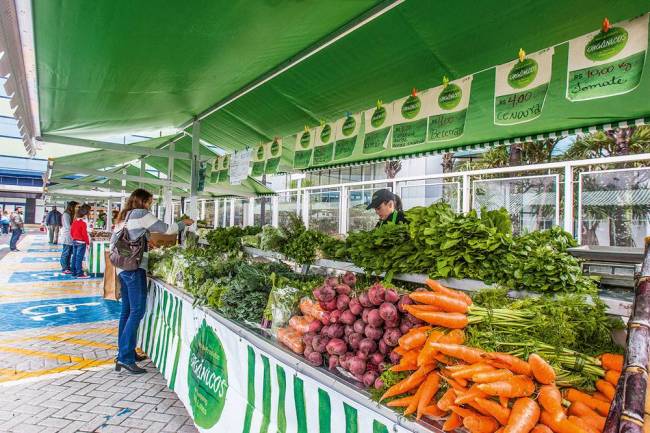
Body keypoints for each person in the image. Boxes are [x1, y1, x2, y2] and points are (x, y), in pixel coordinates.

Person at [111, 188, 192, 374]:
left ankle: (124, 352)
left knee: (127, 311)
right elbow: (167, 229)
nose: (151, 204)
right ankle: (125, 357)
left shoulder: (125, 215)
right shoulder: (141, 213)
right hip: (134, 269)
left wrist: (147, 240)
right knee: (137, 311)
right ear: (143, 201)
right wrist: (183, 223)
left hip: (122, 268)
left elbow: (131, 237)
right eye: (150, 201)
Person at [70, 206, 90, 279]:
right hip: (81, 242)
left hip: (74, 241)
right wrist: (87, 242)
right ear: (84, 215)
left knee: (74, 257)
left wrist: (74, 238)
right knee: (79, 258)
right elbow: (84, 234)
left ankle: (74, 272)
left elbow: (71, 232)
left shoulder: (74, 222)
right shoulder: (83, 223)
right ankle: (79, 273)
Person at [60, 201, 79, 274]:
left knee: (68, 253)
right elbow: (68, 226)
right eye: (75, 207)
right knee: (66, 252)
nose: (75, 209)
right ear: (71, 207)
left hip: (70, 236)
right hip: (67, 236)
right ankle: (64, 268)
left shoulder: (69, 214)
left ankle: (67, 267)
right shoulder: (66, 214)